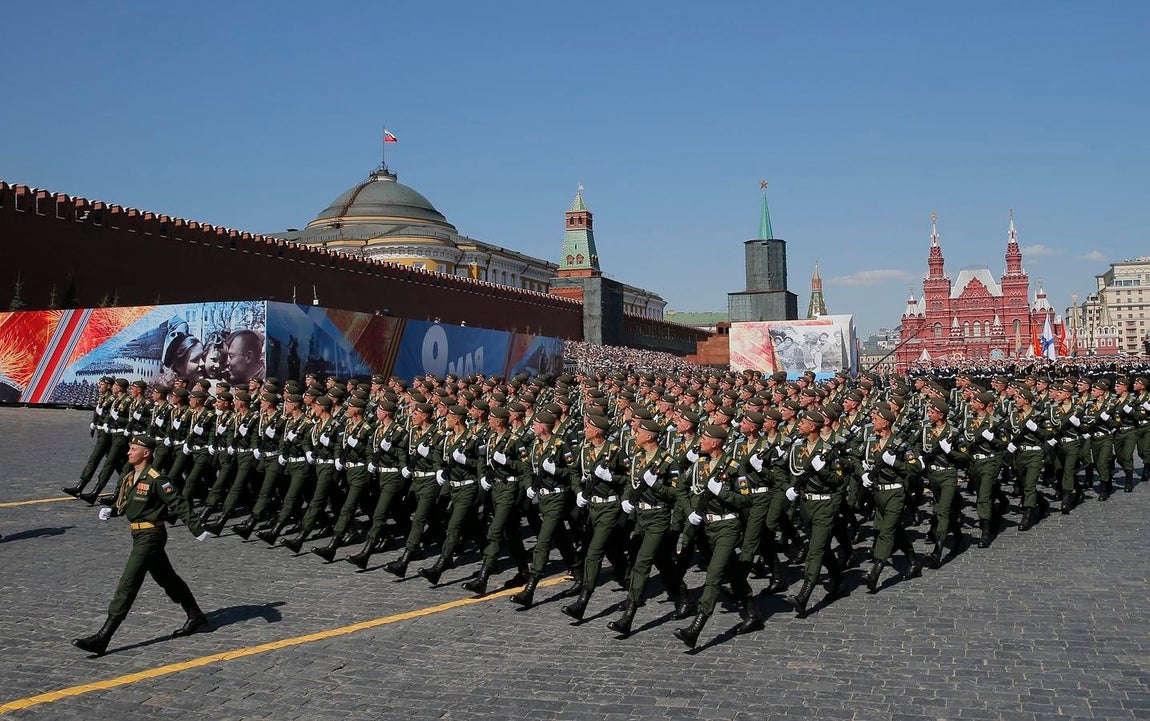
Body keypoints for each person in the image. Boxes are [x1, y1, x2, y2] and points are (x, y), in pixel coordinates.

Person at [71, 435, 213, 657]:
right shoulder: (130, 477)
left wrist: (197, 529)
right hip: (138, 534)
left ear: (146, 453)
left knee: (129, 582)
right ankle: (196, 617)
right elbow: (127, 504)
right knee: (167, 579)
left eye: (134, 449)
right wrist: (113, 511)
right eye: (129, 448)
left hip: (151, 535)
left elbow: (178, 503)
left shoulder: (156, 479)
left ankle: (103, 637)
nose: (129, 452)